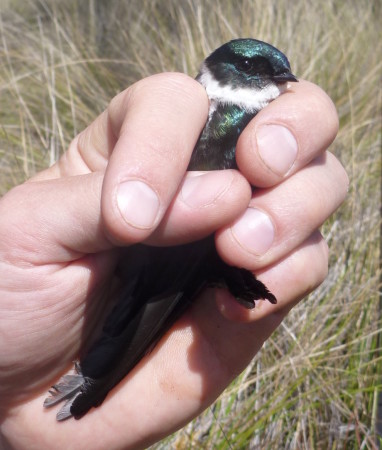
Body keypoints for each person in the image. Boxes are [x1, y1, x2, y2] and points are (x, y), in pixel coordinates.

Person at [0, 73, 348, 449]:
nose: (281, 82)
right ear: (228, 73)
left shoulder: (260, 124)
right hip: (149, 263)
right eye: (261, 73)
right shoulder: (198, 105)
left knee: (148, 317)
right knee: (141, 317)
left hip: (190, 273)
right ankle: (92, 381)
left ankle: (93, 382)